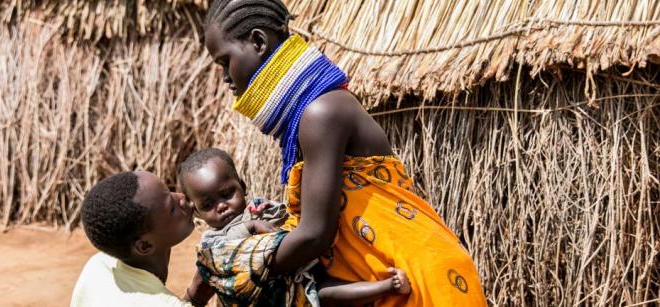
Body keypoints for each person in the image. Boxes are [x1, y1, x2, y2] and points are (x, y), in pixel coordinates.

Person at [202, 0, 488, 306]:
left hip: (420, 285)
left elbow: (315, 235)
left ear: (259, 42)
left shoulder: (321, 114)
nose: (225, 78)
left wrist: (234, 264)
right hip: (394, 280)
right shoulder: (309, 118)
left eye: (224, 61)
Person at [179, 148, 410, 306]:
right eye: (208, 205)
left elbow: (291, 223)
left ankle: (388, 286)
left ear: (242, 186)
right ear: (196, 211)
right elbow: (211, 270)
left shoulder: (261, 208)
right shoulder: (211, 244)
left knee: (328, 290)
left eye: (227, 194)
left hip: (299, 280)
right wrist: (250, 228)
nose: (221, 206)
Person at [70, 171, 195, 307]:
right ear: (145, 246)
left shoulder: (98, 266)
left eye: (170, 191)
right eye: (172, 208)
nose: (181, 197)